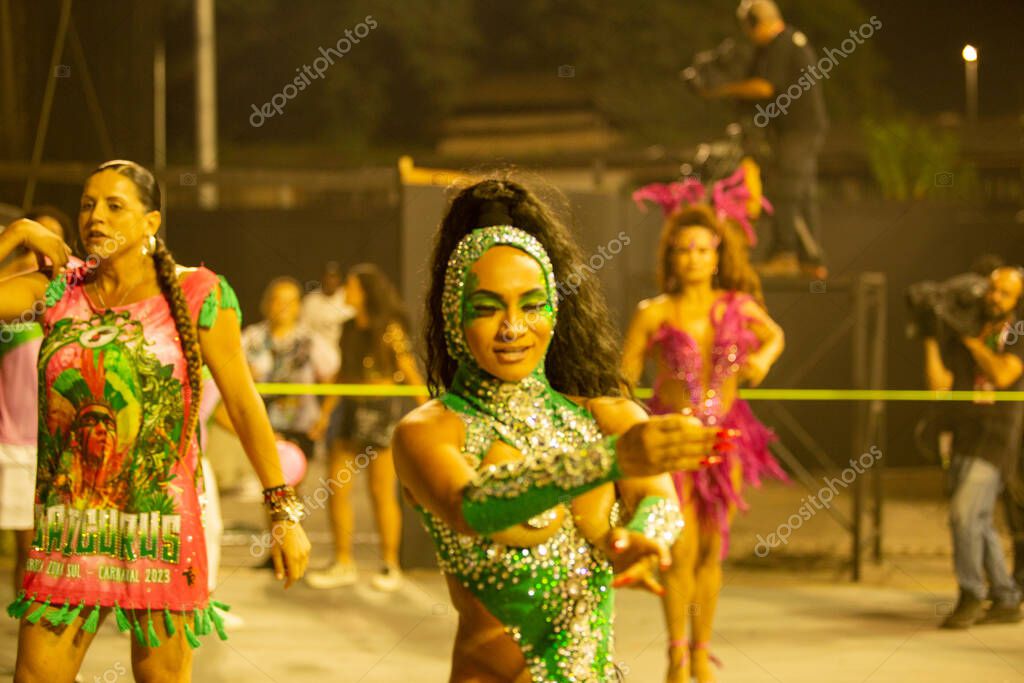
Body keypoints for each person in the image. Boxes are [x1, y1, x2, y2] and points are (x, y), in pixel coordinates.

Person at [393, 178, 726, 681]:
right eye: (487, 308)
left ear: (555, 308)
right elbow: (470, 505)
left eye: (532, 305)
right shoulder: (431, 430)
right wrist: (608, 461)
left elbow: (660, 502)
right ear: (455, 318)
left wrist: (640, 538)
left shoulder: (607, 418)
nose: (513, 328)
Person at [0, 160, 310, 683]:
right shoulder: (58, 288)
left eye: (114, 205)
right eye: (87, 205)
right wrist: (16, 234)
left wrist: (283, 511)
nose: (95, 217)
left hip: (159, 529)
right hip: (69, 530)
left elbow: (242, 402)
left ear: (151, 222)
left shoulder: (197, 292)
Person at [625, 173, 786, 683]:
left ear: (716, 254)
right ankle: (676, 655)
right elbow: (622, 379)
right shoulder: (654, 313)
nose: (693, 258)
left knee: (712, 551)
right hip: (674, 442)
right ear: (671, 256)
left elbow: (775, 335)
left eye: (701, 249)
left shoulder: (738, 306)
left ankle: (701, 653)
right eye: (683, 249)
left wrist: (763, 360)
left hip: (726, 440)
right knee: (680, 550)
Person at [306, 264, 423, 592]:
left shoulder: (390, 327)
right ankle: (343, 561)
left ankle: (390, 564)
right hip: (349, 409)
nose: (346, 290)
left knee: (381, 490)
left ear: (366, 291)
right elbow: (342, 373)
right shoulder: (347, 328)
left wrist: (427, 408)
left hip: (381, 411)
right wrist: (324, 414)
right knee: (336, 486)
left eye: (352, 286)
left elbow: (407, 368)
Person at [923, 266, 1024, 628]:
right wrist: (929, 334)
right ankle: (1006, 597)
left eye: (1004, 293)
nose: (994, 297)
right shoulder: (967, 327)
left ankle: (971, 593)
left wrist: (972, 343)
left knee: (963, 514)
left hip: (996, 437)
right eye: (992, 289)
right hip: (962, 434)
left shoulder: (1017, 332)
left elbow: (1003, 374)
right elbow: (939, 385)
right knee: (977, 521)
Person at [697, 0, 828, 278]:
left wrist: (721, 90)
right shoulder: (791, 40)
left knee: (784, 190)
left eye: (747, 28)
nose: (747, 36)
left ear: (757, 23)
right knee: (802, 194)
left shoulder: (781, 44)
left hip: (797, 130)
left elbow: (764, 87)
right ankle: (811, 260)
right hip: (803, 129)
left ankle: (785, 255)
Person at [0, 207, 71, 598]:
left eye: (51, 241)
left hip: (59, 452)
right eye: (32, 243)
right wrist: (14, 236)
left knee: (46, 556)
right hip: (11, 447)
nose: (41, 254)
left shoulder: (76, 294)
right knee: (28, 554)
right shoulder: (11, 304)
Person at [242, 276, 339, 478]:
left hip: (301, 427)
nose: (284, 307)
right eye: (278, 300)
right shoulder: (251, 338)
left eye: (290, 301)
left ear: (298, 306)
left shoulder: (310, 340)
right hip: (260, 426)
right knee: (264, 483)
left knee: (296, 484)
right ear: (267, 303)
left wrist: (324, 416)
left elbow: (333, 377)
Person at [300, 260, 355, 372]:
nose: (330, 281)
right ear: (321, 278)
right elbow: (303, 331)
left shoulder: (348, 297)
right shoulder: (311, 301)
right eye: (327, 277)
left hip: (346, 354)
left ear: (340, 279)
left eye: (334, 277)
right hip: (318, 357)